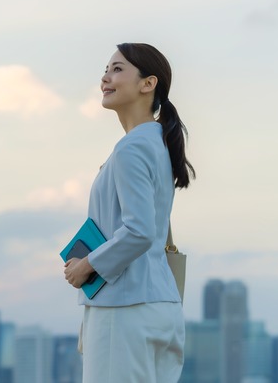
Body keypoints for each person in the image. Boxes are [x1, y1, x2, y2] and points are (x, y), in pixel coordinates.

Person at [63, 43, 195, 382]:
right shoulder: (156, 144)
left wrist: (86, 267)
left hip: (123, 307)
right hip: (157, 306)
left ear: (147, 83)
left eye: (117, 69)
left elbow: (139, 232)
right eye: (106, 70)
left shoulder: (132, 148)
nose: (106, 78)